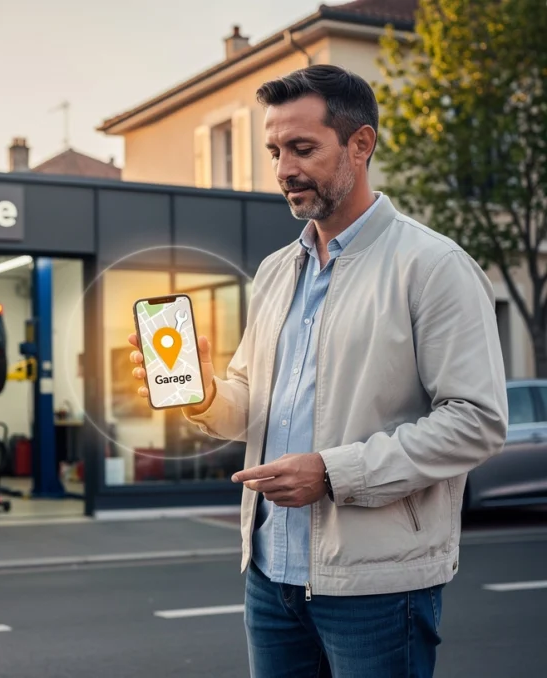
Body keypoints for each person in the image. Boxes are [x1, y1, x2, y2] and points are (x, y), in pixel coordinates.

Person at [129, 64, 508, 677]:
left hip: (378, 587)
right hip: (269, 577)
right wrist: (199, 394)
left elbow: (477, 423)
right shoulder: (278, 270)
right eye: (276, 150)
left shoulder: (434, 266)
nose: (283, 170)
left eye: (303, 148)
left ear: (361, 145)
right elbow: (252, 399)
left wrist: (332, 473)